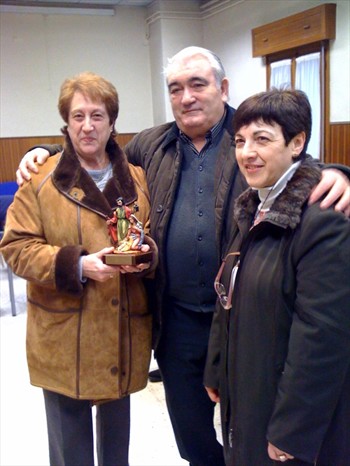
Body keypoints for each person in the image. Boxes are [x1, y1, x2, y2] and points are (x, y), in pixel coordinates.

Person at [15, 47, 350, 466]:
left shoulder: (243, 134)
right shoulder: (151, 145)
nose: (186, 96)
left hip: (241, 322)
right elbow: (96, 151)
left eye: (198, 84)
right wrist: (45, 150)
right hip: (175, 322)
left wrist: (339, 172)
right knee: (192, 436)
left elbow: (291, 163)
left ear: (222, 88)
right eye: (176, 88)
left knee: (248, 432)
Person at [0, 71, 158, 466]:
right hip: (63, 335)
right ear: (66, 123)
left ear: (112, 122)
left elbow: (150, 234)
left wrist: (145, 255)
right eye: (78, 116)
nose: (87, 126)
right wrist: (78, 265)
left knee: (116, 449)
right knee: (70, 450)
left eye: (97, 116)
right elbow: (16, 247)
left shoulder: (137, 179)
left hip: (121, 331)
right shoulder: (40, 178)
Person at [204, 89, 350, 466]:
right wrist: (217, 366)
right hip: (249, 386)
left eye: (262, 139)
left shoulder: (323, 220)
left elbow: (322, 336)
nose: (246, 152)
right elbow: (229, 294)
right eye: (239, 140)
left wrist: (292, 429)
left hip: (286, 410)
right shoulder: (254, 206)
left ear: (297, 142)